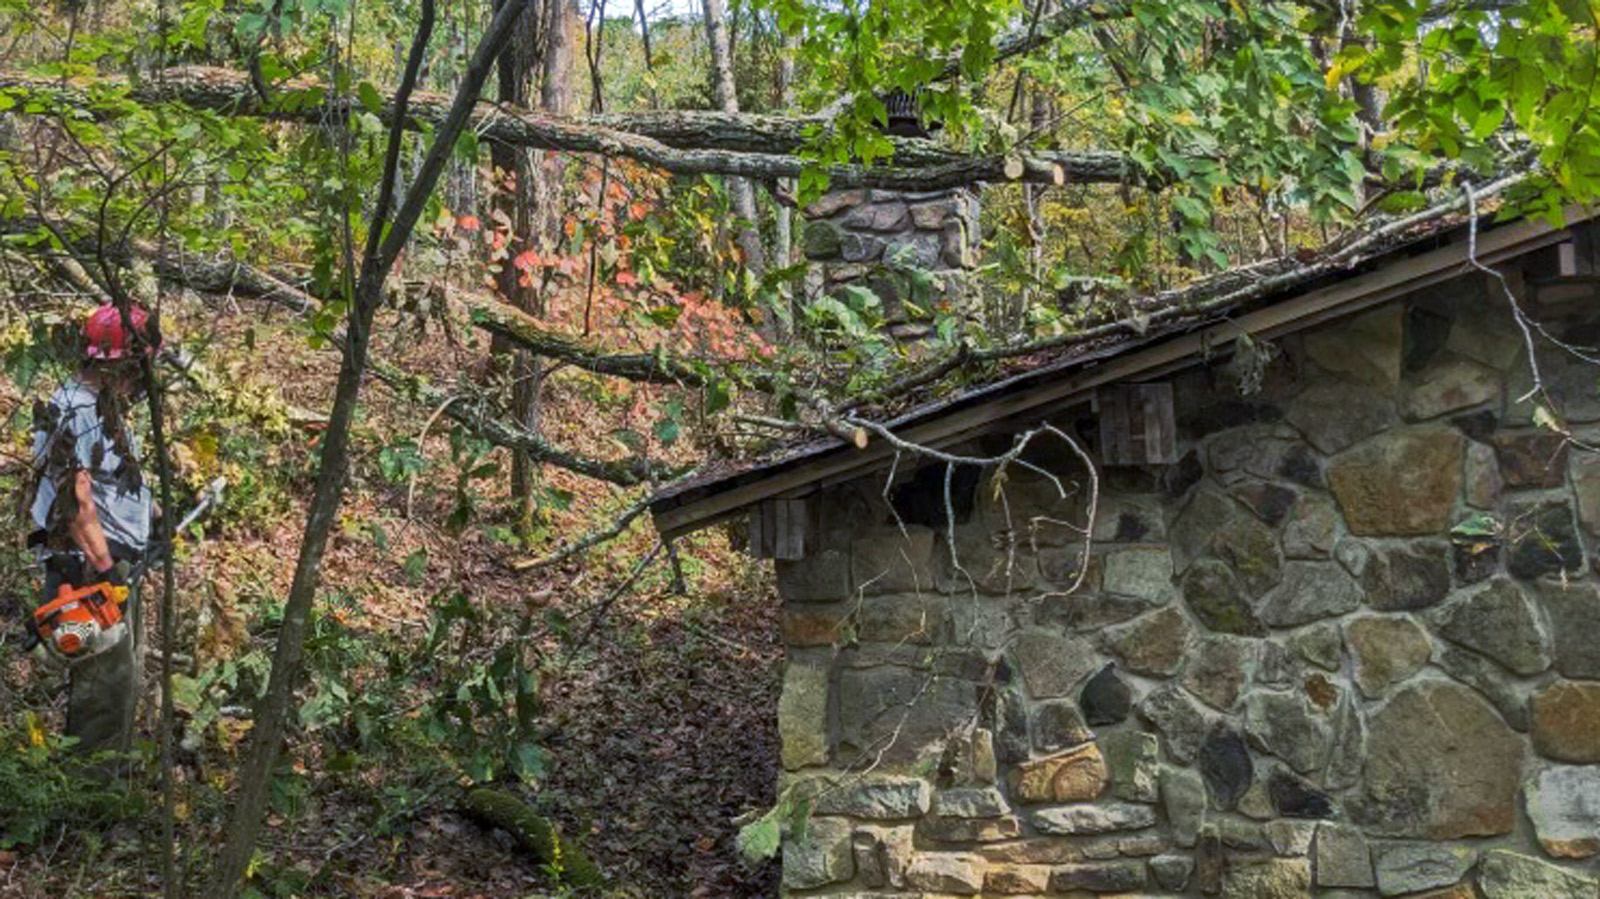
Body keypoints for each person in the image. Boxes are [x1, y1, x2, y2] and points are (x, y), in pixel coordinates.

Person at [27, 303, 161, 755]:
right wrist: (105, 568)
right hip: (87, 567)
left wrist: (154, 515)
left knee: (123, 683)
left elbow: (111, 482)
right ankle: (90, 802)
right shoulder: (72, 410)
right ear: (121, 363)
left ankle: (108, 787)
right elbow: (76, 501)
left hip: (114, 558)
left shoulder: (102, 408)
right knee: (103, 691)